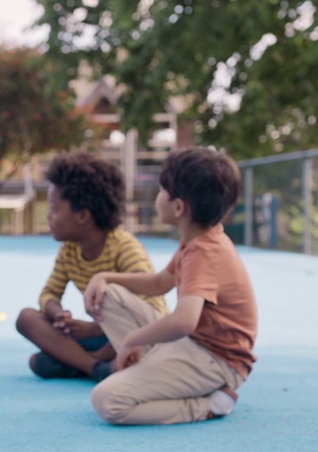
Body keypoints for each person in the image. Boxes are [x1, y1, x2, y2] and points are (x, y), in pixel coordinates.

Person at [83, 147, 257, 425]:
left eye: (163, 190)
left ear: (178, 207)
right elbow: (160, 283)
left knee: (108, 400)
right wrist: (104, 277)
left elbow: (184, 322)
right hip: (194, 344)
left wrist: (131, 340)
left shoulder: (205, 252)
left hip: (217, 360)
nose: (158, 196)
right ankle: (154, 372)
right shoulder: (196, 238)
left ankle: (209, 404)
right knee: (109, 295)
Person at [15, 152, 165, 380]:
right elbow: (49, 293)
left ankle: (84, 362)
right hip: (102, 337)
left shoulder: (124, 247)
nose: (49, 217)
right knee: (26, 319)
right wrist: (58, 315)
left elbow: (150, 309)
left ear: (83, 215)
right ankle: (96, 367)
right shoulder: (69, 250)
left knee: (45, 363)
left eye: (55, 209)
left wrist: (96, 330)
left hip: (135, 335)